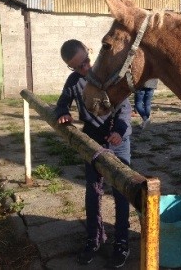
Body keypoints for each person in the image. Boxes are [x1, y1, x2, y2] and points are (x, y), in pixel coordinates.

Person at [54, 39, 132, 268]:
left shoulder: (108, 73)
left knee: (121, 192)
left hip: (118, 142)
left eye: (86, 61)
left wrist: (119, 131)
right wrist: (62, 112)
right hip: (92, 143)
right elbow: (62, 103)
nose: (86, 68)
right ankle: (94, 238)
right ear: (72, 68)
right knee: (93, 191)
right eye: (79, 67)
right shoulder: (74, 82)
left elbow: (125, 108)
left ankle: (122, 241)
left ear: (90, 51)